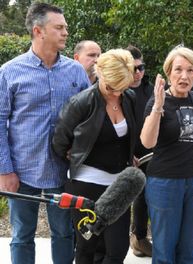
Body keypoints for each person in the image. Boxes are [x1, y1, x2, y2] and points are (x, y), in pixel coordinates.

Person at [0, 2, 90, 264]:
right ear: (38, 31)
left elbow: (89, 117)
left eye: (66, 28)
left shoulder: (75, 72)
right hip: (21, 170)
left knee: (64, 233)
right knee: (22, 235)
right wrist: (5, 170)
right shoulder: (9, 72)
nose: (65, 33)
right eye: (59, 27)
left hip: (63, 171)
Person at [52, 49, 137, 264]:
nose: (116, 93)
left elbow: (129, 137)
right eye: (111, 87)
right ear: (98, 71)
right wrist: (73, 155)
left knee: (117, 249)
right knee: (87, 247)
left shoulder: (129, 98)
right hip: (86, 183)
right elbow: (59, 141)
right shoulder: (81, 103)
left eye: (122, 87)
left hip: (118, 185)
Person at [140, 46, 193, 263]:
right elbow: (147, 142)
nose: (184, 76)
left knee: (188, 248)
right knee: (165, 249)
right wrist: (158, 106)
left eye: (190, 70)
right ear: (168, 73)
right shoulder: (158, 101)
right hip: (165, 182)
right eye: (178, 70)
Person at [125, 44, 154, 258]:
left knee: (145, 197)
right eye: (133, 68)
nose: (138, 73)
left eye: (141, 68)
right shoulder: (116, 89)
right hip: (124, 154)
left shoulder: (150, 89)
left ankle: (140, 237)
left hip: (149, 153)